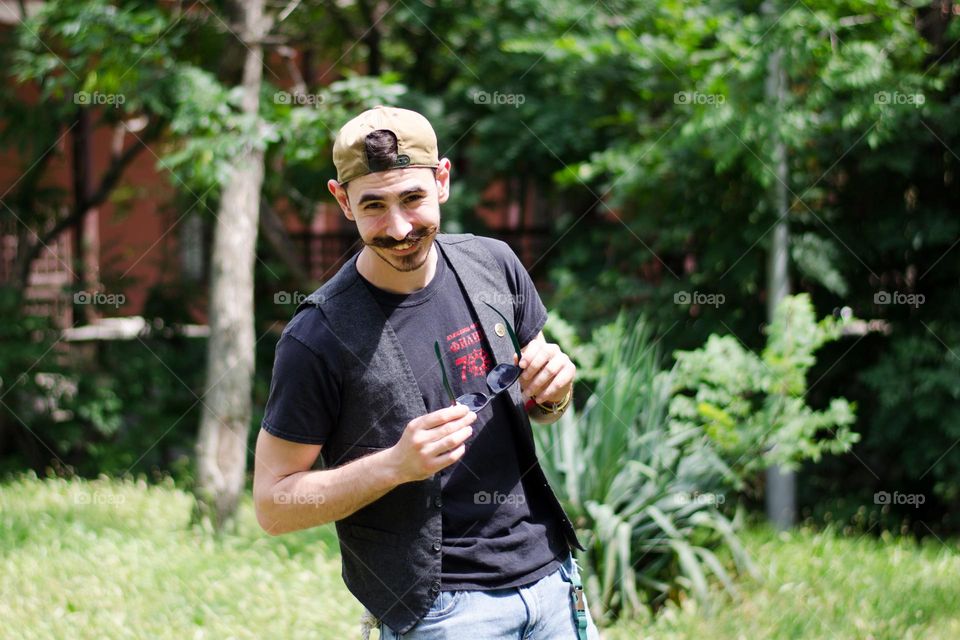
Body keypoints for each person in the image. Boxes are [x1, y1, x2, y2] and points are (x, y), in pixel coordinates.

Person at [253, 106, 600, 640]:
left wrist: (554, 392)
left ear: (442, 180)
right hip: (443, 613)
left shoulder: (495, 264)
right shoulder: (316, 338)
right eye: (373, 205)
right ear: (342, 200)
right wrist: (395, 465)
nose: (398, 229)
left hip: (553, 582)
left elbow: (543, 405)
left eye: (412, 199)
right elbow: (274, 506)